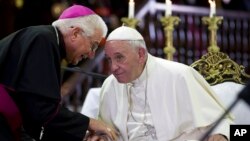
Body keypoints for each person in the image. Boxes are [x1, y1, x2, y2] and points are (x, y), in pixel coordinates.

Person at [0, 4, 117, 141]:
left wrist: (83, 134)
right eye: (93, 45)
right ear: (75, 34)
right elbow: (43, 110)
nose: (91, 55)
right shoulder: (42, 41)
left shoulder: (48, 41)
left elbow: (37, 115)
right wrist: (90, 123)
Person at [97, 26, 234, 141]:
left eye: (119, 57)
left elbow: (224, 122)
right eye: (109, 60)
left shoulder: (179, 75)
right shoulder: (110, 85)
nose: (113, 67)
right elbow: (105, 131)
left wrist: (221, 134)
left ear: (140, 54)